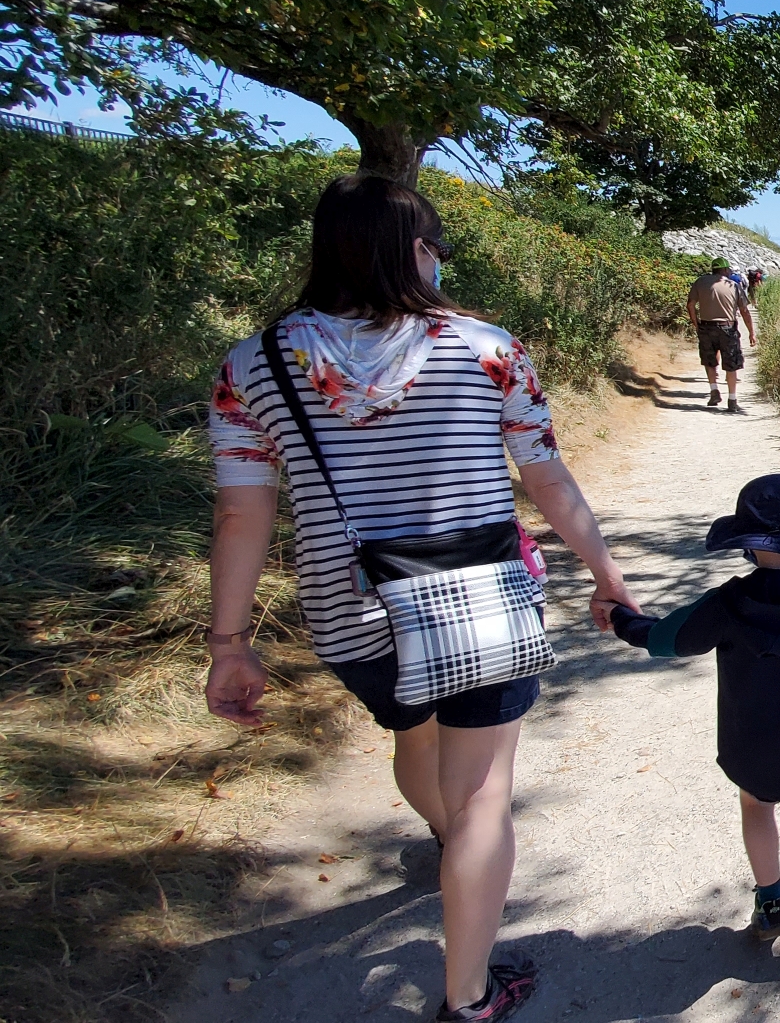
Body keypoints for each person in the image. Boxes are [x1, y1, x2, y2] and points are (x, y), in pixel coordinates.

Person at [204, 174, 639, 1022]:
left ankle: (446, 849)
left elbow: (239, 512)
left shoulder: (253, 364)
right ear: (416, 251)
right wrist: (607, 573)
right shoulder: (486, 347)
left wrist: (229, 642)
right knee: (484, 798)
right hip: (481, 600)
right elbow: (546, 478)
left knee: (413, 732)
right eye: (437, 247)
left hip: (353, 608)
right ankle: (469, 996)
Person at [606, 474, 780, 978]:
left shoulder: (730, 603)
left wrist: (622, 619)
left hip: (749, 743)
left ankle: (771, 906)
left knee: (756, 808)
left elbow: (668, 638)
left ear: (749, 548)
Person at [689, 259, 756, 413]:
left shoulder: (700, 282)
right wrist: (751, 332)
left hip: (706, 326)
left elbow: (690, 304)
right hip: (727, 327)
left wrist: (696, 323)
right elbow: (744, 311)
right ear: (725, 270)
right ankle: (732, 400)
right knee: (731, 364)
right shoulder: (733, 285)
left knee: (709, 361)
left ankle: (714, 391)